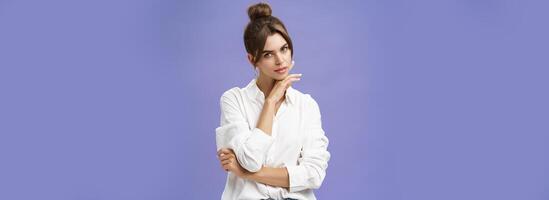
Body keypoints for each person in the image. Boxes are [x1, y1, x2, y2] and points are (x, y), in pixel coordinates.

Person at [215, 2, 330, 200]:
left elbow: (314, 174)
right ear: (252, 60)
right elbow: (251, 159)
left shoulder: (306, 105)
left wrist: (246, 173)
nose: (280, 60)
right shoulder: (234, 100)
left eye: (284, 49)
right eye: (268, 54)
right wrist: (270, 102)